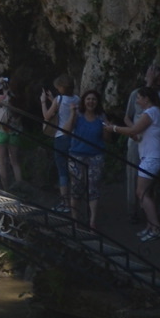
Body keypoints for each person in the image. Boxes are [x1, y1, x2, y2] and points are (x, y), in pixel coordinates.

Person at [121, 82, 160, 240]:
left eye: (139, 98)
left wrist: (113, 128)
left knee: (141, 192)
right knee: (146, 192)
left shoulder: (151, 112)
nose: (137, 101)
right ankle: (150, 226)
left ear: (147, 99)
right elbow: (139, 134)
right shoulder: (152, 112)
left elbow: (134, 129)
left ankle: (156, 228)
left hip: (152, 158)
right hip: (149, 156)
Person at [123, 63, 160, 216]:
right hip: (135, 141)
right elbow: (127, 116)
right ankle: (132, 210)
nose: (156, 80)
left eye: (158, 77)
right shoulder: (135, 94)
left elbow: (153, 104)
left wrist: (149, 83)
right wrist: (133, 131)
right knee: (132, 174)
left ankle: (149, 213)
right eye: (153, 76)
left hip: (150, 144)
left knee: (150, 179)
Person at [66, 89, 109, 229]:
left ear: (97, 102)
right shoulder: (78, 115)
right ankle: (75, 219)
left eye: (94, 99)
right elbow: (66, 130)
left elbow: (107, 139)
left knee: (93, 188)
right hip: (76, 154)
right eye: (88, 99)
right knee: (76, 187)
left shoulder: (101, 117)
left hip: (95, 155)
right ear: (84, 101)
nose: (91, 102)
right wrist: (72, 113)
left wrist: (108, 129)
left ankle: (92, 221)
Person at [41, 77, 78, 210]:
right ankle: (75, 201)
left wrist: (43, 102)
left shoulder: (59, 100)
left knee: (62, 171)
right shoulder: (77, 99)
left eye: (58, 87)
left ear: (62, 88)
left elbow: (47, 116)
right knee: (74, 170)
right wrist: (54, 100)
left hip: (61, 137)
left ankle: (66, 203)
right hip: (75, 138)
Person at [0, 69, 25, 191]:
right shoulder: (23, 99)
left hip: (1, 131)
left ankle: (5, 189)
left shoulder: (4, 98)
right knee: (15, 161)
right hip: (15, 132)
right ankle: (20, 187)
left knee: (2, 161)